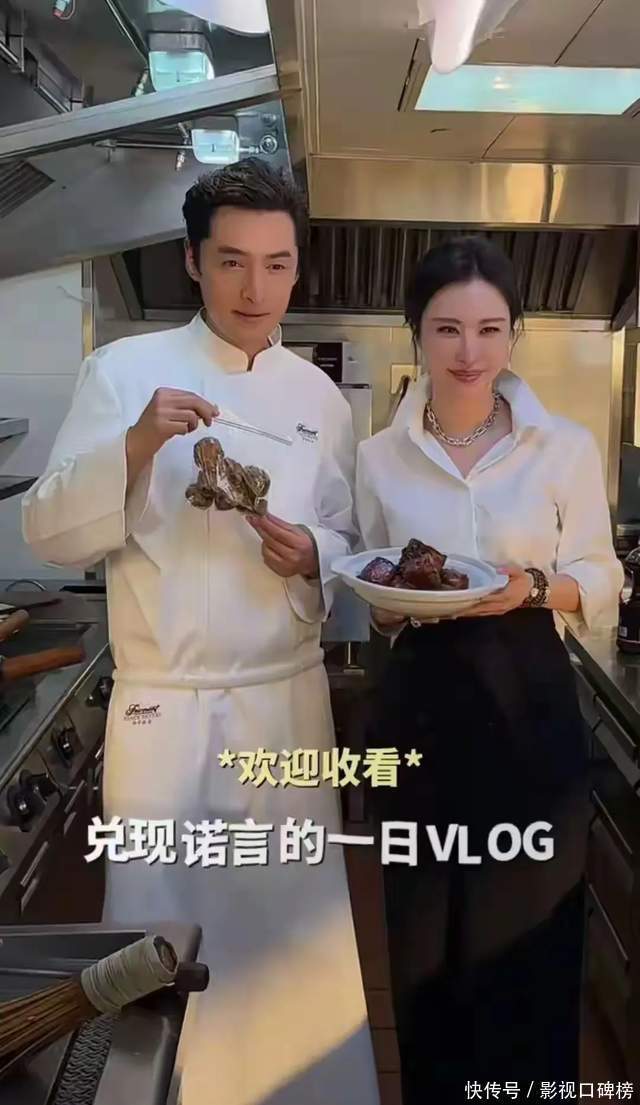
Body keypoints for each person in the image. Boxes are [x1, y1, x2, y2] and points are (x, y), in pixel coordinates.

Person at [22, 159, 380, 1105]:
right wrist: (137, 444)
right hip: (165, 719)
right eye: (231, 261)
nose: (256, 288)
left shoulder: (318, 400)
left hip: (286, 709)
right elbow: (48, 531)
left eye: (277, 264)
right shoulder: (123, 373)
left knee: (294, 946)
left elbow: (346, 539)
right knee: (156, 943)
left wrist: (313, 554)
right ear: (192, 261)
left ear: (297, 268)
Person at [356, 236, 623, 1104]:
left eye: (488, 328)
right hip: (419, 711)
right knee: (425, 943)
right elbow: (378, 592)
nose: (468, 351)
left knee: (530, 944)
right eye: (446, 329)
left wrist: (532, 586)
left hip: (529, 707)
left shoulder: (564, 446)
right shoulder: (378, 456)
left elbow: (601, 573)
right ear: (417, 332)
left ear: (514, 333)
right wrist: (387, 602)